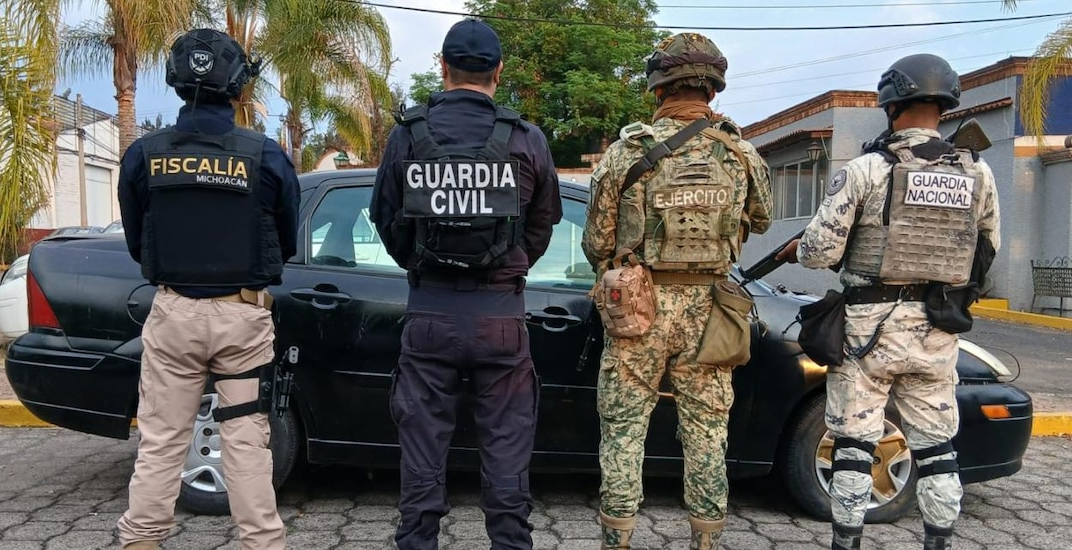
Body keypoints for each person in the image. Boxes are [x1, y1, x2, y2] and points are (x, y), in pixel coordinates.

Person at [775, 53, 1001, 550]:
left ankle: (847, 542)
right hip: (938, 326)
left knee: (854, 447)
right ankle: (938, 541)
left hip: (868, 330)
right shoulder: (977, 173)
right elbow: (988, 249)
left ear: (891, 102)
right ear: (945, 103)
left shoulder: (868, 168)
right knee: (938, 449)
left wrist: (806, 245)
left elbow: (821, 251)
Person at [369, 18, 563, 550]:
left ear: (442, 67)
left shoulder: (408, 135)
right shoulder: (526, 138)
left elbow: (384, 217)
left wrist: (421, 264)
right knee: (506, 449)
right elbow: (544, 222)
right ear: (499, 72)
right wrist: (508, 268)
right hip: (501, 317)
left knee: (422, 449)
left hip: (428, 313)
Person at [581, 32, 773, 550]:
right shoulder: (741, 153)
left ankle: (616, 541)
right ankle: (705, 542)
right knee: (707, 434)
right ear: (713, 89)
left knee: (623, 430)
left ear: (659, 86)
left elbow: (597, 242)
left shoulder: (627, 153)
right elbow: (762, 218)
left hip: (636, 309)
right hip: (712, 311)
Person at [115, 28, 299, 550]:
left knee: (162, 442)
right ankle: (262, 543)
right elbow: (285, 239)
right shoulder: (264, 154)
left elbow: (136, 239)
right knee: (246, 442)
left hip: (173, 314)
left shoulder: (144, 154)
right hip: (243, 317)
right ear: (239, 86)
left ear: (176, 82)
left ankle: (142, 540)